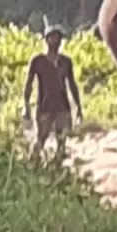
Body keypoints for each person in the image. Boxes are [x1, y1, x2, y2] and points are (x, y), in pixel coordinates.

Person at [22, 26, 83, 160]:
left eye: (58, 38)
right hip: (44, 106)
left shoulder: (65, 62)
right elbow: (28, 83)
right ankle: (32, 167)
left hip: (62, 106)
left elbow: (72, 84)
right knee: (40, 139)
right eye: (52, 38)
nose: (56, 41)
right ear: (46, 40)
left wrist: (78, 107)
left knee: (62, 141)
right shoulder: (38, 61)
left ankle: (57, 169)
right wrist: (25, 105)